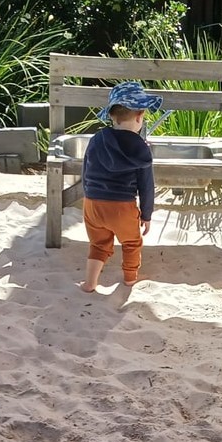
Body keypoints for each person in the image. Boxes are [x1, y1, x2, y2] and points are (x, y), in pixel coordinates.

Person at [80, 81, 159, 292]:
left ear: (111, 116)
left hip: (93, 203)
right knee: (131, 243)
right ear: (140, 117)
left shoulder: (97, 139)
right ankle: (130, 279)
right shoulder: (141, 151)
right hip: (122, 207)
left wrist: (88, 196)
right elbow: (146, 185)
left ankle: (90, 283)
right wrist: (147, 214)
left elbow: (85, 169)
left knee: (98, 245)